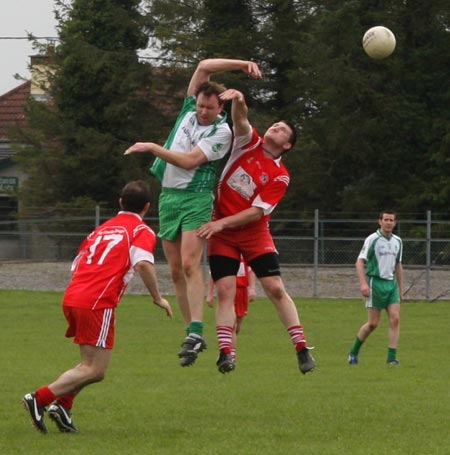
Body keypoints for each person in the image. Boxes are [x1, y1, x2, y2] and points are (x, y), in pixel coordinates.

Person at [125, 59, 262, 367]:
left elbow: (188, 162)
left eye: (209, 108)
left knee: (189, 263)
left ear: (219, 110)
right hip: (169, 198)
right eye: (200, 105)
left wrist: (152, 147)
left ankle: (198, 326)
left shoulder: (222, 132)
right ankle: (192, 333)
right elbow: (204, 66)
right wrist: (242, 64)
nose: (202, 111)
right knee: (174, 269)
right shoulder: (188, 110)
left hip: (196, 199)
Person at [22, 180, 173, 434]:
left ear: (120, 203)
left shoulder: (101, 229)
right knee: (95, 370)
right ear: (147, 207)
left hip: (73, 296)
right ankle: (40, 398)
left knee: (87, 365)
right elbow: (144, 264)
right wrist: (158, 297)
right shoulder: (141, 231)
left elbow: (77, 263)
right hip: (96, 302)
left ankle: (63, 406)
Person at [196, 88, 316, 375]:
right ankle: (226, 352)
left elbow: (256, 212)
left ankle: (301, 347)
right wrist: (238, 99)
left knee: (274, 288)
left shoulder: (280, 175)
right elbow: (241, 119)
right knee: (225, 290)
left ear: (287, 145)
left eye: (282, 130)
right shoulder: (248, 141)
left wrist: (221, 223)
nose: (275, 127)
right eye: (276, 124)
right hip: (222, 229)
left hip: (252, 232)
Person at [348, 210, 404, 365]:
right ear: (380, 221)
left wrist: (400, 288)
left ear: (395, 223)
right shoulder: (372, 239)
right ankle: (353, 352)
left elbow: (398, 265)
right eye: (385, 219)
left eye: (391, 220)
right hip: (375, 284)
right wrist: (363, 283)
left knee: (395, 319)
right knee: (373, 323)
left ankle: (391, 358)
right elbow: (359, 262)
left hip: (391, 285)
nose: (388, 223)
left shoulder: (398, 241)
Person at [206, 256, 256, 362]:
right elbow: (212, 274)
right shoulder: (222, 253)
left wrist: (252, 288)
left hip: (241, 292)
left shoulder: (244, 253)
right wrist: (209, 293)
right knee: (231, 326)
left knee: (237, 327)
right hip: (227, 291)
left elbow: (250, 271)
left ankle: (227, 348)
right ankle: (229, 355)